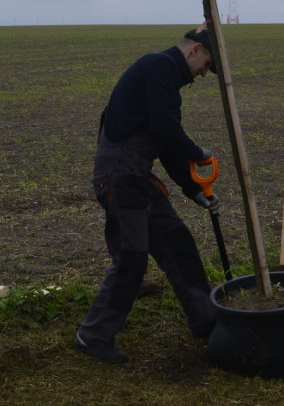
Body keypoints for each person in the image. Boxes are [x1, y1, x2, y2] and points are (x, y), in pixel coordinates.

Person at [74, 25, 222, 363]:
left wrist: (193, 190)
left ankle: (206, 320)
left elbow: (165, 146)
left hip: (136, 173)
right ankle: (93, 335)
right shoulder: (158, 67)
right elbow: (166, 131)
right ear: (195, 51)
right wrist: (198, 151)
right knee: (132, 255)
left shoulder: (166, 79)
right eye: (206, 65)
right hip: (119, 174)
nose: (203, 74)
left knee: (177, 242)